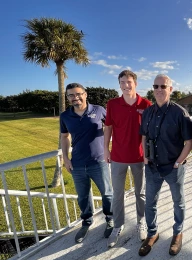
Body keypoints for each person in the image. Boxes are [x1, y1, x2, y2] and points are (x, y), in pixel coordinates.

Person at [138, 74, 192, 257]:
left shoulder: (180, 113)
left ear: (171, 89)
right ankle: (152, 233)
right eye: (156, 86)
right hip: (152, 166)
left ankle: (178, 233)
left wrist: (179, 162)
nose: (159, 90)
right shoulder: (148, 111)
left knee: (178, 201)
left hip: (173, 167)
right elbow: (144, 136)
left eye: (163, 86)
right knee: (150, 203)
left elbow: (189, 142)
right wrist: (145, 157)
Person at [60, 83, 113, 243]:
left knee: (107, 194)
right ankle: (87, 222)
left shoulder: (99, 110)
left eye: (78, 94)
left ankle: (110, 219)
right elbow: (64, 137)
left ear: (85, 94)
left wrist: (109, 148)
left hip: (98, 161)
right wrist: (66, 159)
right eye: (71, 95)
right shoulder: (65, 116)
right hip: (77, 163)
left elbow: (111, 127)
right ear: (68, 98)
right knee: (83, 197)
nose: (75, 98)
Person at [104, 70, 152, 248]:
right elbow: (108, 127)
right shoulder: (112, 104)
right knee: (117, 194)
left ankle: (141, 222)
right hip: (117, 157)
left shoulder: (146, 104)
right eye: (122, 82)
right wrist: (106, 150)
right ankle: (118, 225)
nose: (126, 85)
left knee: (141, 193)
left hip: (139, 157)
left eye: (129, 82)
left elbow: (149, 133)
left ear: (135, 83)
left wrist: (147, 154)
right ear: (119, 84)